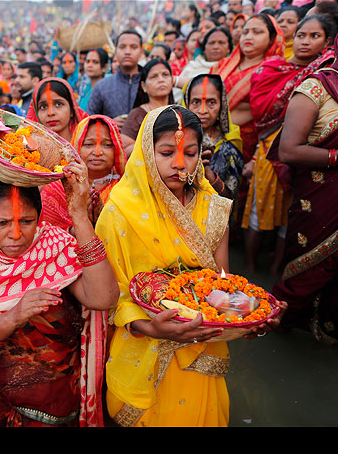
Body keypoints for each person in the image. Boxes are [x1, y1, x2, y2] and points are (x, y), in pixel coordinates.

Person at [95, 105, 286, 427]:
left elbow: (221, 286)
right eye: (167, 152)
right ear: (145, 152)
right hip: (143, 347)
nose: (180, 164)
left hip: (202, 344)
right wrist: (149, 328)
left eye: (191, 153)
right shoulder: (117, 213)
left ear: (201, 155)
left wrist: (250, 312)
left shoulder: (213, 208)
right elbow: (110, 297)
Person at [0, 169, 120, 427]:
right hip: (0, 407)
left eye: (26, 221)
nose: (15, 234)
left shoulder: (54, 246)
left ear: (39, 218)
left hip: (65, 401)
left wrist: (78, 214)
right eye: (2, 223)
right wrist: (11, 318)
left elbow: (104, 298)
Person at [271, 15, 338, 345]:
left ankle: (329, 323)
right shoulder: (318, 86)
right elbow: (289, 150)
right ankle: (285, 320)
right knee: (306, 273)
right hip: (319, 199)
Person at [242, 14, 336, 274]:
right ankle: (248, 267)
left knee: (289, 213)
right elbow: (260, 108)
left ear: (328, 42)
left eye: (314, 36)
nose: (305, 41)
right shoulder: (270, 69)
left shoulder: (325, 74)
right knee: (257, 211)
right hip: (267, 148)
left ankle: (275, 269)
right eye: (301, 35)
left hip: (303, 149)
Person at [210, 13, 285, 164]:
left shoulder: (274, 70)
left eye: (257, 32)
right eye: (245, 32)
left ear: (271, 38)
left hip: (246, 145)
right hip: (209, 137)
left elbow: (273, 119)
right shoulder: (223, 65)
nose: (248, 37)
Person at [40, 114, 126, 232]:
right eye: (89, 144)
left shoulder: (125, 189)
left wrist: (103, 219)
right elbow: (43, 232)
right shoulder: (55, 189)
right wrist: (77, 228)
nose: (97, 152)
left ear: (117, 149)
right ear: (76, 147)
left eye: (107, 145)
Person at [182, 73, 244, 204]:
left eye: (211, 102)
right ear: (186, 104)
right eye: (195, 102)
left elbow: (231, 199)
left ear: (221, 106)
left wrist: (210, 175)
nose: (203, 110)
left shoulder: (229, 145)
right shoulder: (173, 139)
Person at [87, 30, 143, 131]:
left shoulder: (149, 84)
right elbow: (88, 122)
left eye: (133, 47)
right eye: (122, 47)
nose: (127, 51)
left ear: (141, 52)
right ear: (116, 51)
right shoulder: (102, 86)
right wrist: (108, 124)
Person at [120, 58, 175, 156]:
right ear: (143, 86)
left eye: (165, 75)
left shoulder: (180, 112)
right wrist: (152, 142)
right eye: (154, 76)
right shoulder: (137, 114)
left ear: (172, 81)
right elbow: (124, 152)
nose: (161, 80)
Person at [25, 77, 88, 143]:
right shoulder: (27, 149)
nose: (50, 113)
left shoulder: (87, 146)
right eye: (43, 107)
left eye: (58, 104)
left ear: (72, 110)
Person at [76, 48, 109, 112]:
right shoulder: (84, 88)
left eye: (95, 62)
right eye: (87, 61)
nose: (89, 65)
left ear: (104, 67)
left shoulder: (106, 90)